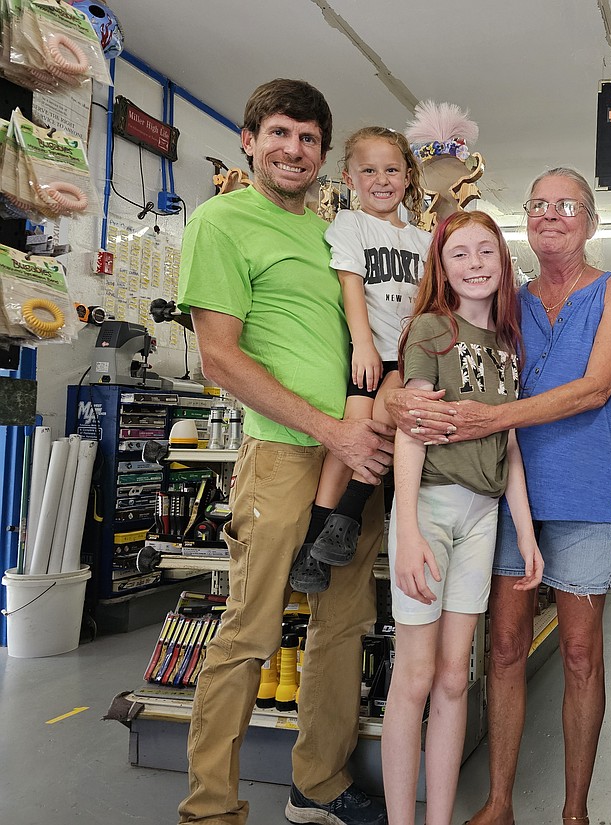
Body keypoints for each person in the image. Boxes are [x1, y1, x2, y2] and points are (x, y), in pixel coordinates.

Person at [386, 168, 611, 825]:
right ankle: (498, 801)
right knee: (503, 649)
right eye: (537, 205)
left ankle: (575, 810)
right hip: (504, 498)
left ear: (590, 220)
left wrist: (485, 419)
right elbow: (437, 356)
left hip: (583, 498)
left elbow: (594, 387)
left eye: (566, 205)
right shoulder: (509, 305)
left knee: (583, 653)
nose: (551, 215)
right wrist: (396, 397)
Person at [175, 79, 393, 825]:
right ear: (249, 140)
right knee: (250, 632)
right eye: (279, 133)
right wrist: (332, 430)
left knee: (341, 627)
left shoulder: (336, 232)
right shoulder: (220, 222)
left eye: (307, 139)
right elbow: (221, 361)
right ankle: (210, 808)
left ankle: (319, 784)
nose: (293, 149)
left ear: (323, 156)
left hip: (357, 461)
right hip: (282, 457)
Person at [382, 210, 543, 825]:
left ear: (503, 262)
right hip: (429, 509)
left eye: (486, 252)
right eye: (460, 255)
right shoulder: (431, 330)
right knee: (415, 676)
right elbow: (409, 431)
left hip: (483, 519)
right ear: (442, 269)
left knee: (455, 680)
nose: (475, 264)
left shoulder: (508, 344)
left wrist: (524, 531)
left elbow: (511, 445)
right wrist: (407, 533)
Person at [290, 126, 431, 592]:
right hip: (368, 354)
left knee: (383, 426)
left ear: (408, 177)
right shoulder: (349, 225)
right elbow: (352, 286)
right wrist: (364, 343)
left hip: (408, 360)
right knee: (347, 442)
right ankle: (316, 543)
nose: (381, 179)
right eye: (368, 170)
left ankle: (347, 515)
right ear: (349, 178)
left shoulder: (423, 241)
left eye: (392, 169)